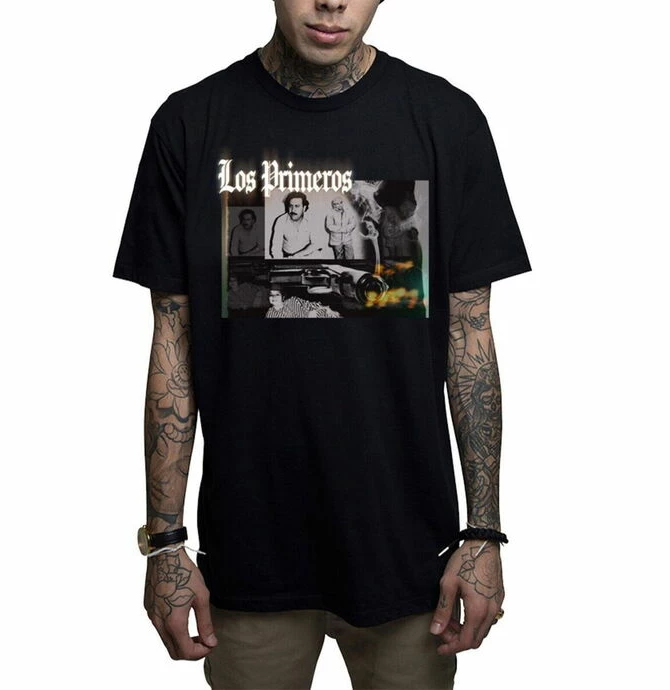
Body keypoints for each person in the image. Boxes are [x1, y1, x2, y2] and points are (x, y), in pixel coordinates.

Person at [112, 1, 532, 688]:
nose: (332, 1)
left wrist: (483, 532)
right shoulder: (189, 123)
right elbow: (172, 344)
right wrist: (164, 541)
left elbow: (471, 338)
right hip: (249, 561)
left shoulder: (446, 119)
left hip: (410, 561)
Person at [268, 191, 325, 258]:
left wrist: (298, 255)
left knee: (317, 254)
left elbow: (316, 243)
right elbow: (276, 248)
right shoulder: (280, 220)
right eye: (290, 206)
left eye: (297, 206)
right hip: (288, 256)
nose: (293, 210)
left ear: (304, 208)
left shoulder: (311, 220)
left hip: (306, 254)